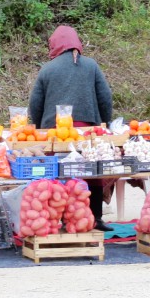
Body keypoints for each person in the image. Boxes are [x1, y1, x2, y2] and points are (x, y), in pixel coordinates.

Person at [28, 25, 115, 231]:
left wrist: (40, 127)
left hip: (55, 132)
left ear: (55, 44)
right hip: (87, 130)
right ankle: (95, 218)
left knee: (58, 173)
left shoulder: (47, 69)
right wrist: (105, 123)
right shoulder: (91, 65)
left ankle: (59, 218)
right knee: (92, 172)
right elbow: (105, 97)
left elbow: (35, 102)